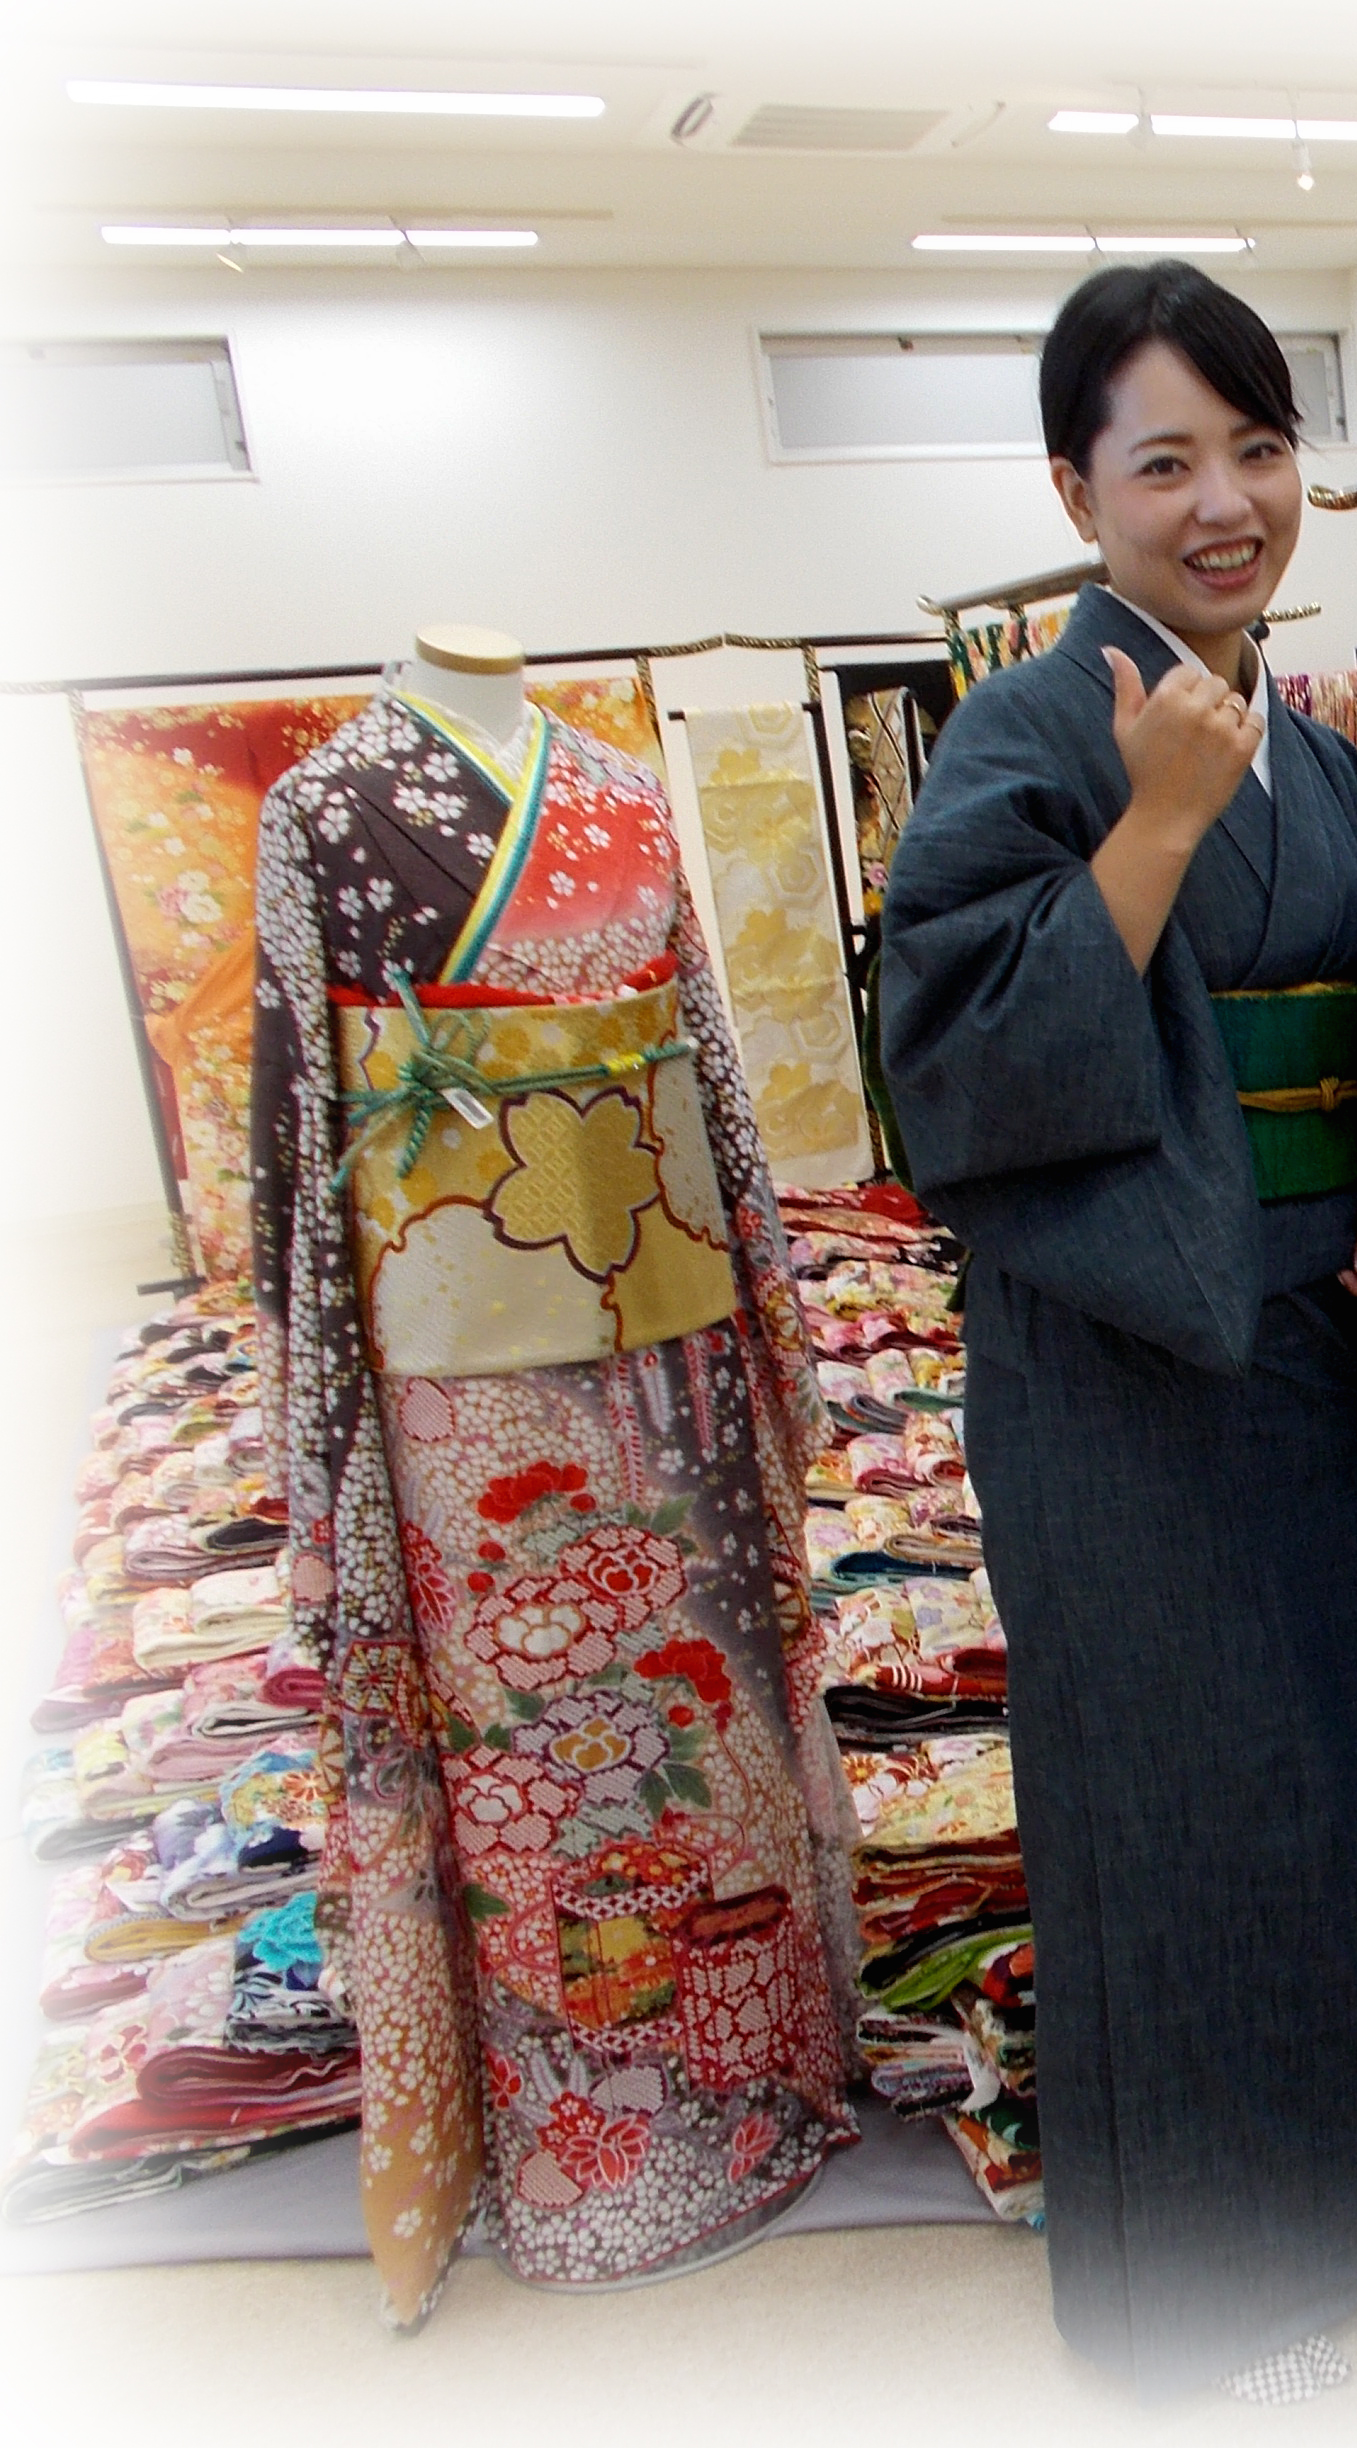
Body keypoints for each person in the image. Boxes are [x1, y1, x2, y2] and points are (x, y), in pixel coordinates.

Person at [876, 261, 1357, 2407]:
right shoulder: (1028, 730)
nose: (1227, 502)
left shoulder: (1315, 747)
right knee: (1176, 1806)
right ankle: (1198, 2306)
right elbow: (953, 1066)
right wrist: (1155, 820)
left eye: (1259, 450)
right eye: (1166, 462)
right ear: (1079, 494)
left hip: (1311, 1339)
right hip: (1123, 1359)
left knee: (1349, 1774)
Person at [251, 632, 860, 2329]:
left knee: (702, 1738)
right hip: (463, 1396)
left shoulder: (620, 793)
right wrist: (323, 1410)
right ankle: (585, 2136)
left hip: (672, 1368)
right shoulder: (323, 808)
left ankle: (758, 2078)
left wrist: (770, 1320)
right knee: (539, 1760)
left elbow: (706, 1076)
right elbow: (302, 1135)